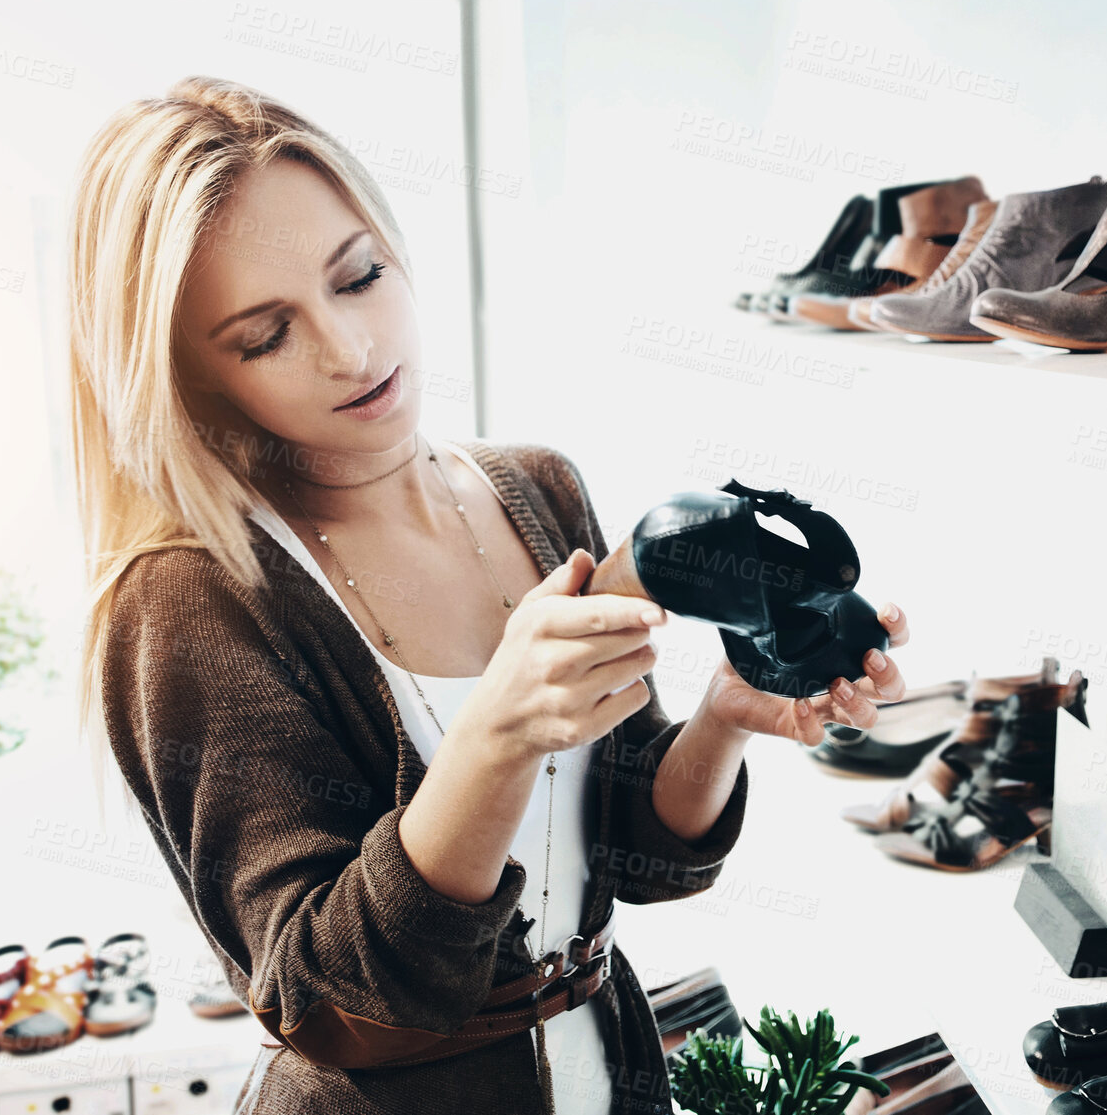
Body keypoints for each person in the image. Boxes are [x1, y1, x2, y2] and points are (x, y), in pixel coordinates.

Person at [68, 76, 910, 1115]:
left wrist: (726, 719)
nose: (351, 347)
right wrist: (496, 736)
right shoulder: (191, 597)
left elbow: (634, 855)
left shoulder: (538, 491)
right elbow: (327, 1002)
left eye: (359, 274)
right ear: (190, 378)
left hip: (612, 1071)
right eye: (263, 335)